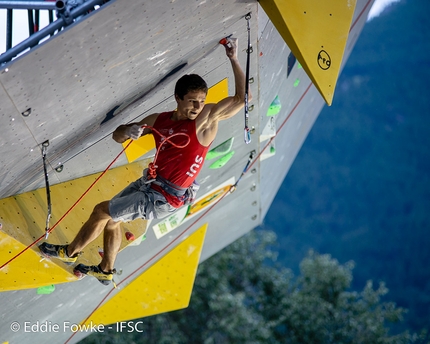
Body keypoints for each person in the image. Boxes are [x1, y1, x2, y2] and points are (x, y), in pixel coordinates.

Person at [39, 38, 250, 286]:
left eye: (202, 100)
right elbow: (117, 136)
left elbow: (239, 99)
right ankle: (105, 271)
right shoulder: (158, 120)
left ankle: (69, 252)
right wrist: (129, 130)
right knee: (112, 220)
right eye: (192, 100)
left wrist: (233, 58)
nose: (197, 106)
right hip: (150, 183)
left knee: (101, 210)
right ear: (178, 98)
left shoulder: (204, 120)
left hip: (166, 197)